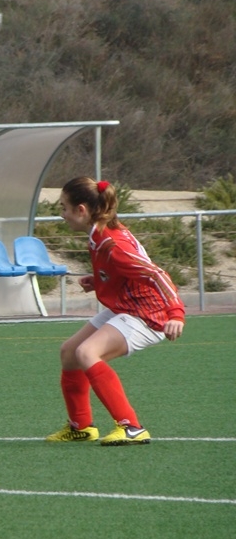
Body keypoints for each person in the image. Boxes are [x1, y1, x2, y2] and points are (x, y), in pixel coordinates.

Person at [45, 176, 185, 446]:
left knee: (87, 352)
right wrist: (97, 280)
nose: (62, 214)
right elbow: (122, 270)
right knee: (69, 352)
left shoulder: (112, 242)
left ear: (82, 210)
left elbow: (157, 275)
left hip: (147, 314)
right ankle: (80, 426)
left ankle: (131, 426)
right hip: (126, 305)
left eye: (64, 207)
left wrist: (176, 314)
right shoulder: (99, 233)